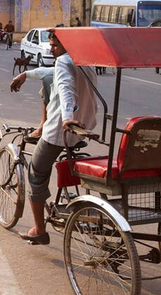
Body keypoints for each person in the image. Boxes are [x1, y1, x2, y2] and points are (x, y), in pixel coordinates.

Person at [9, 31, 97, 245]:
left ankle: (39, 229)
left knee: (36, 172)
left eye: (55, 45)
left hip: (61, 131)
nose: (50, 49)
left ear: (66, 45)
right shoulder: (84, 61)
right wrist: (26, 75)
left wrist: (67, 117)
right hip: (84, 127)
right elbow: (54, 74)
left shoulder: (64, 62)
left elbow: (66, 90)